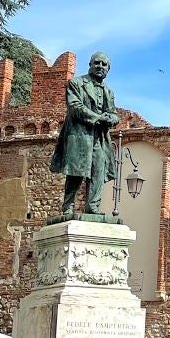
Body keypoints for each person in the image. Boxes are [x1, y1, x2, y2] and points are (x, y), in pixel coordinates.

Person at [50, 51, 120, 217]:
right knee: (76, 172)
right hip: (80, 135)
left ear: (108, 69)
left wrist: (112, 118)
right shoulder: (76, 83)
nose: (100, 66)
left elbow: (113, 112)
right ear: (90, 65)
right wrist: (98, 118)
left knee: (98, 171)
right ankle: (68, 207)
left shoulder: (109, 92)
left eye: (104, 65)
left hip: (100, 138)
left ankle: (93, 207)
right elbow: (75, 107)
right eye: (97, 63)